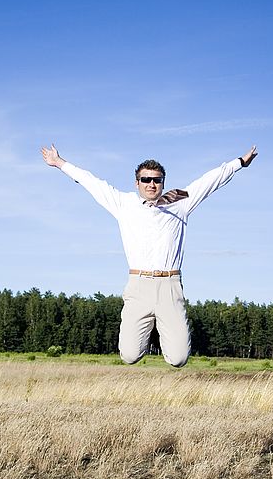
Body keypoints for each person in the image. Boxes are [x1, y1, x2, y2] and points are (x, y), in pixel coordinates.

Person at [41, 143, 258, 367]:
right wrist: (59, 163)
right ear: (137, 183)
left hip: (169, 286)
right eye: (146, 180)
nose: (151, 184)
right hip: (139, 285)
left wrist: (239, 163)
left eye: (157, 180)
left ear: (163, 182)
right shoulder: (124, 203)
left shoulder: (179, 200)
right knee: (129, 355)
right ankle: (151, 328)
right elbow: (91, 182)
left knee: (179, 359)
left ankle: (162, 327)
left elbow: (210, 181)